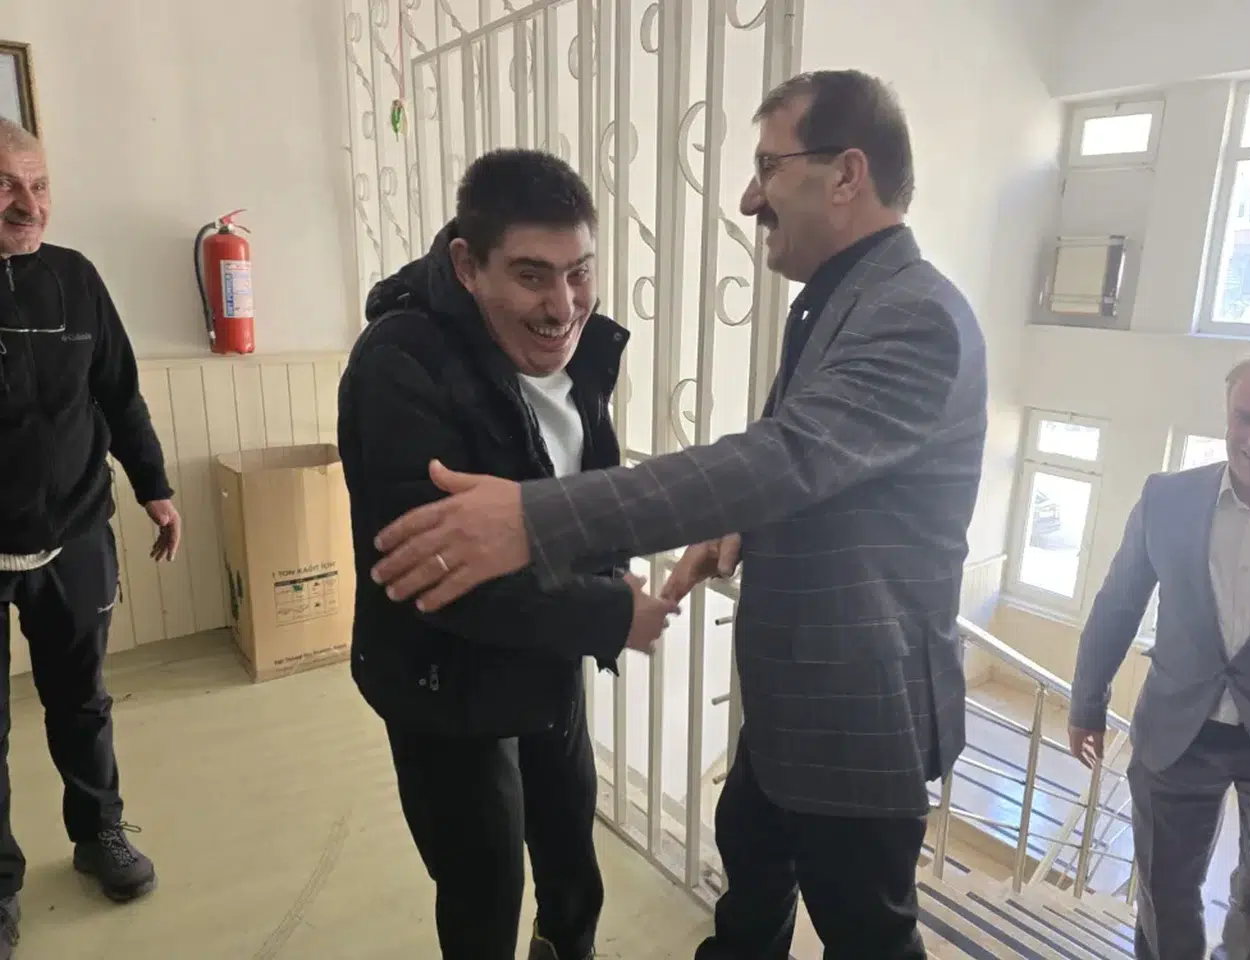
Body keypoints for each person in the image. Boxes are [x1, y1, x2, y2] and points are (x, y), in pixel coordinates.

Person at [367, 71, 988, 959]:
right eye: (531, 276)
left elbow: (787, 457)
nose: (749, 198)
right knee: (745, 888)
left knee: (866, 934)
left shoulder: (914, 317)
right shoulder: (841, 301)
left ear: (847, 175)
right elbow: (824, 468)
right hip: (784, 703)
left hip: (856, 711)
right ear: (470, 267)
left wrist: (535, 520)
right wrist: (739, 529)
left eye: (768, 166)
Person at [336, 148, 676, 960]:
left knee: (571, 866)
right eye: (531, 276)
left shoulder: (577, 351)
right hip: (442, 682)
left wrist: (609, 566)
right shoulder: (398, 365)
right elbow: (439, 577)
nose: (563, 305)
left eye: (579, 272)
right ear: (467, 265)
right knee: (483, 891)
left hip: (545, 661)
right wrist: (611, 611)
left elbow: (578, 495)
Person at [0, 118, 178, 955]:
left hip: (74, 528)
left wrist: (156, 488)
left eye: (38, 185)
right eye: (5, 186)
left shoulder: (75, 278)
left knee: (81, 700)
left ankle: (98, 830)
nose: (26, 204)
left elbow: (119, 392)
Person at [1069, 348, 1250, 960]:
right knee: (1164, 892)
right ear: (1226, 414)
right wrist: (1086, 702)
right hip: (1175, 734)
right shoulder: (1168, 498)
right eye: (1246, 417)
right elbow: (1118, 602)